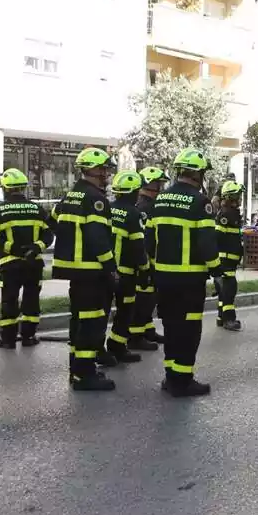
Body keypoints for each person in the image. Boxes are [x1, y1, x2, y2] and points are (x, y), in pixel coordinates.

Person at [151, 148, 221, 397]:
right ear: (198, 174)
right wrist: (218, 271)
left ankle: (171, 378)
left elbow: (150, 240)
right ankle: (183, 380)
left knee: (170, 327)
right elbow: (206, 243)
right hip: (189, 280)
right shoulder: (201, 202)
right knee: (189, 330)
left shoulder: (160, 199)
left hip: (163, 277)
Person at [51, 147, 118, 392]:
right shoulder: (95, 199)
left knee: (78, 320)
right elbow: (97, 238)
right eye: (104, 169)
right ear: (94, 169)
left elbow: (54, 221)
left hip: (74, 271)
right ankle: (85, 374)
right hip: (91, 271)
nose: (107, 174)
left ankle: (77, 369)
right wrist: (111, 267)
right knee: (91, 322)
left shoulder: (70, 196)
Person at [0, 168, 54, 349]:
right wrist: (34, 249)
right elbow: (49, 236)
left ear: (5, 189)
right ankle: (28, 337)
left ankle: (7, 340)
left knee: (9, 301)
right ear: (23, 188)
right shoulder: (37, 209)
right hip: (33, 264)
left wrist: (14, 250)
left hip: (10, 266)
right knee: (31, 301)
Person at [104, 170, 148, 364]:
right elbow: (139, 247)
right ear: (133, 192)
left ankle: (98, 350)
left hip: (105, 272)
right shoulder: (133, 214)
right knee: (125, 311)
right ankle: (118, 346)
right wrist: (145, 269)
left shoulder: (106, 209)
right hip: (126, 275)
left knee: (101, 312)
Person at [128, 165, 166, 351]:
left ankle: (147, 329)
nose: (161, 188)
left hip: (146, 258)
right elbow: (147, 238)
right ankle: (135, 337)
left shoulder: (145, 205)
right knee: (144, 298)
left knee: (148, 298)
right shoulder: (147, 207)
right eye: (159, 184)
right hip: (146, 260)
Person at [215, 180, 245, 332]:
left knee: (224, 289)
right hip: (226, 259)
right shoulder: (226, 214)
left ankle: (221, 316)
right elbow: (218, 236)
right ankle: (229, 319)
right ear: (232, 197)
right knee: (229, 288)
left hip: (229, 259)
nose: (240, 199)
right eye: (238, 196)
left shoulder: (230, 213)